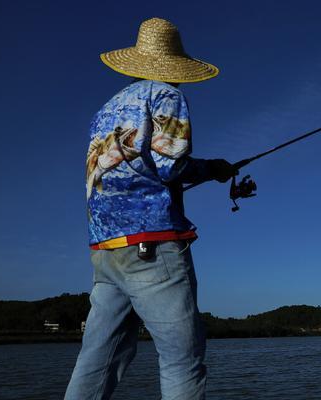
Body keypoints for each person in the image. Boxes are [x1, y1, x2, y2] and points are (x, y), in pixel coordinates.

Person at [65, 17, 235, 400]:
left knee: (97, 359)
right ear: (176, 66)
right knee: (182, 359)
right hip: (152, 245)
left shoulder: (105, 110)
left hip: (106, 249)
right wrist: (213, 169)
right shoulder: (166, 97)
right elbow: (169, 165)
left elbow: (124, 170)